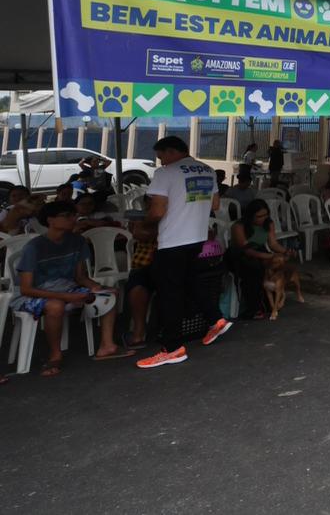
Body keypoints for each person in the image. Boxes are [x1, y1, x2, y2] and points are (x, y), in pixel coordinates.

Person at [135, 136, 232, 370]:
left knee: (170, 294)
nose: (160, 162)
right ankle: (215, 319)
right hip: (197, 238)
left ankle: (172, 348)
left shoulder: (166, 173)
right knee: (190, 281)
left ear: (171, 151)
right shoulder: (207, 170)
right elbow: (215, 205)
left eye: (161, 156)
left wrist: (144, 224)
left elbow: (157, 211)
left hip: (173, 240)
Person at [9, 200, 133, 375]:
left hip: (67, 288)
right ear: (50, 220)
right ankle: (55, 355)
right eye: (67, 216)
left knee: (108, 295)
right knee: (55, 306)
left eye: (74, 215)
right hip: (34, 293)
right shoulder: (34, 247)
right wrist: (68, 297)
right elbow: (26, 289)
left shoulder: (77, 241)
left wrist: (96, 287)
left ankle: (107, 345)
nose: (73, 219)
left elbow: (80, 277)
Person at [229, 199, 299, 320]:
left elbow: (273, 244)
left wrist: (285, 251)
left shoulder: (268, 223)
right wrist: (268, 256)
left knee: (276, 266)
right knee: (254, 269)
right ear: (251, 215)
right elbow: (246, 250)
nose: (263, 218)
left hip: (259, 251)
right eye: (259, 216)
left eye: (266, 215)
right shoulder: (238, 226)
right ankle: (254, 307)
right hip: (239, 254)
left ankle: (271, 301)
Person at [123, 206, 157, 349]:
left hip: (168, 262)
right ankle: (138, 332)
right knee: (138, 285)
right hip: (145, 265)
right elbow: (139, 234)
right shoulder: (145, 219)